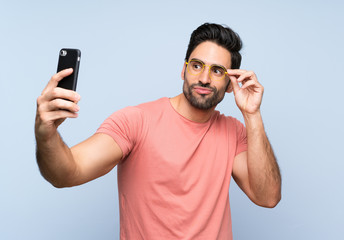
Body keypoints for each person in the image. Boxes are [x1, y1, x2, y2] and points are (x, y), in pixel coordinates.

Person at [35, 23, 281, 240]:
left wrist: (252, 114)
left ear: (230, 84)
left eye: (217, 71)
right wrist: (46, 133)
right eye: (196, 66)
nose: (204, 78)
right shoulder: (136, 121)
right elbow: (67, 173)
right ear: (183, 70)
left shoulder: (233, 132)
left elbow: (268, 197)